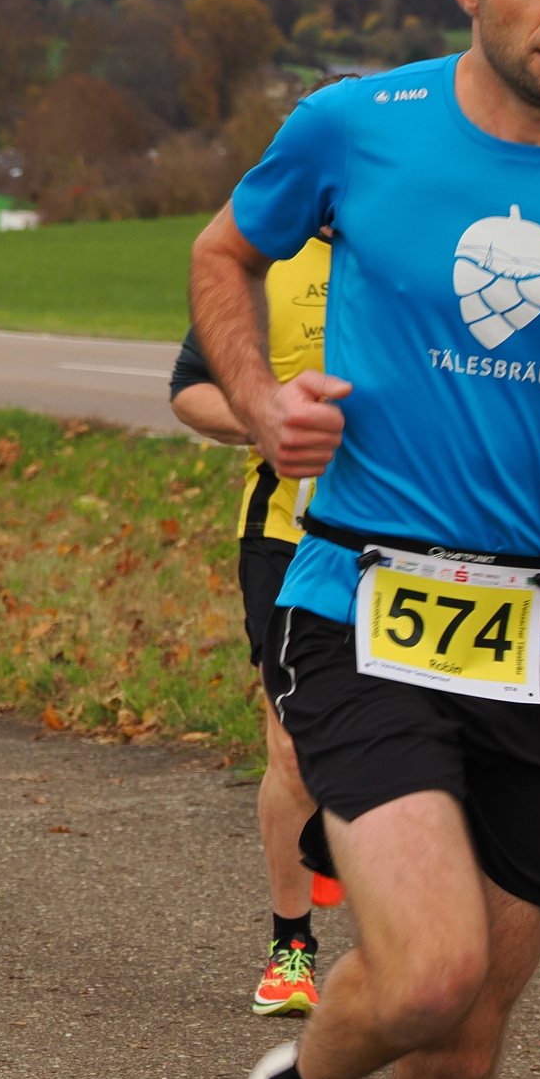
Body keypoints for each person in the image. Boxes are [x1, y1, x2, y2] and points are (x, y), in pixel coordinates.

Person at [194, 0, 540, 1079]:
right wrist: (260, 403)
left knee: (463, 1045)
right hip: (362, 595)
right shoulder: (356, 124)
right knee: (429, 974)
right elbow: (224, 253)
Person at [170, 220, 346, 1017]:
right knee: (294, 750)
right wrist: (265, 417)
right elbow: (189, 387)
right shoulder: (265, 261)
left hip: (405, 546)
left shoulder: (418, 243)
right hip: (286, 538)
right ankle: (292, 948)